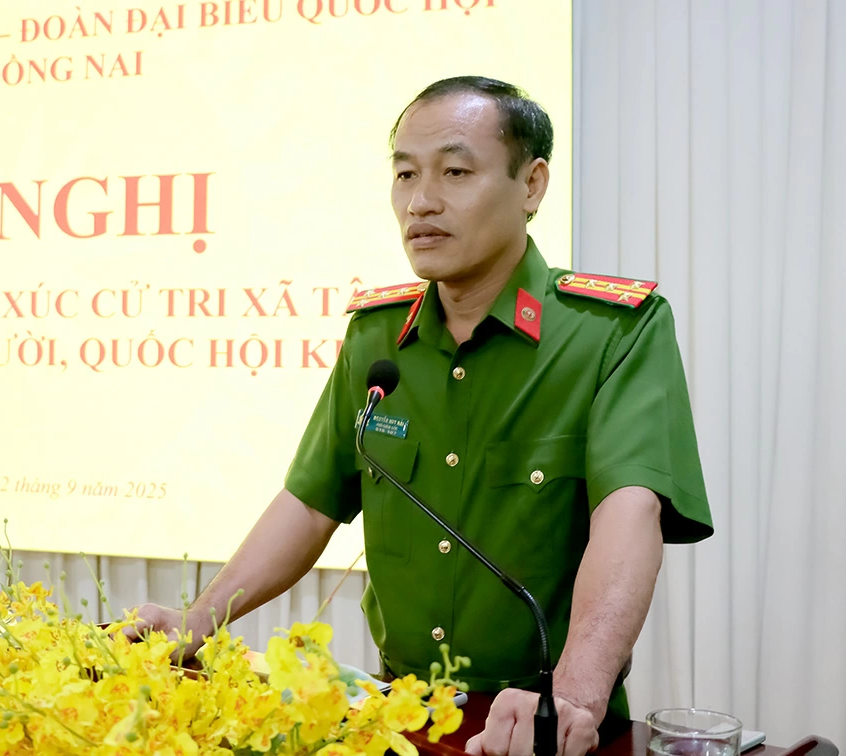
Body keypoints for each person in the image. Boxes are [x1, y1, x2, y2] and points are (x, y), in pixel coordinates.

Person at [129, 76, 714, 756]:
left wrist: (574, 697)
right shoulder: (377, 338)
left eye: (455, 172)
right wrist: (198, 620)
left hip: (538, 726)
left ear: (532, 185)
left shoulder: (611, 332)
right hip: (397, 719)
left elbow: (630, 510)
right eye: (405, 175)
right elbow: (311, 501)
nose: (421, 201)